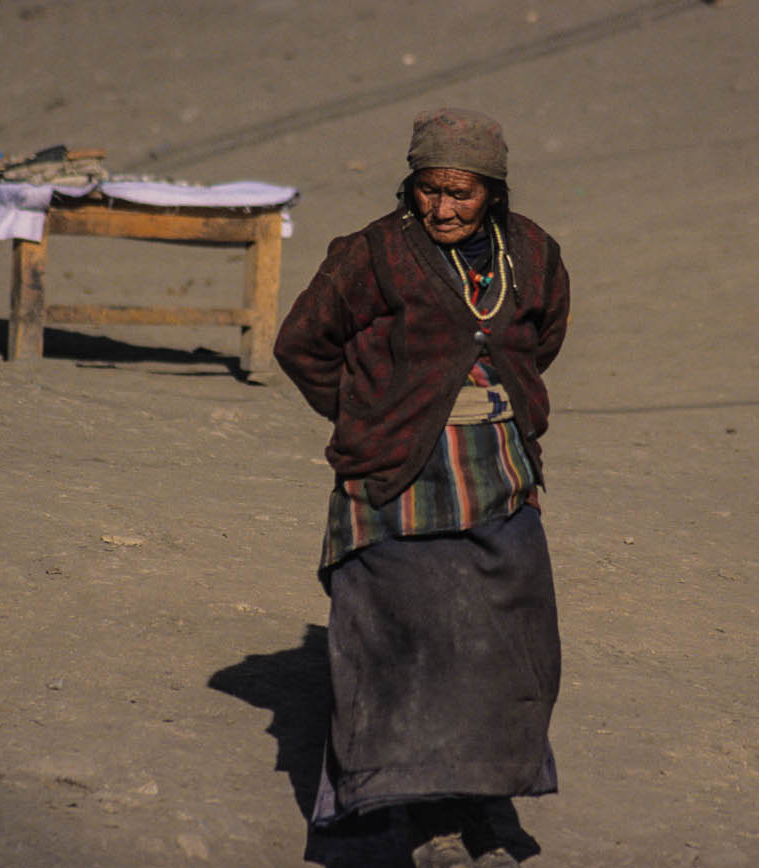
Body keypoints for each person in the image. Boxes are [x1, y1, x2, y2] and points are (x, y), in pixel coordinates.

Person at [275, 107, 570, 868]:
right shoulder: (369, 255)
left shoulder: (532, 254)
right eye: (428, 190)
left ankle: (478, 805)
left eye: (461, 193)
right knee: (398, 647)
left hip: (497, 471)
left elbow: (542, 338)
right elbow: (303, 344)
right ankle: (395, 821)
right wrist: (369, 413)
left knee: (507, 646)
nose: (441, 208)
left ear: (493, 193)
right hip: (395, 474)